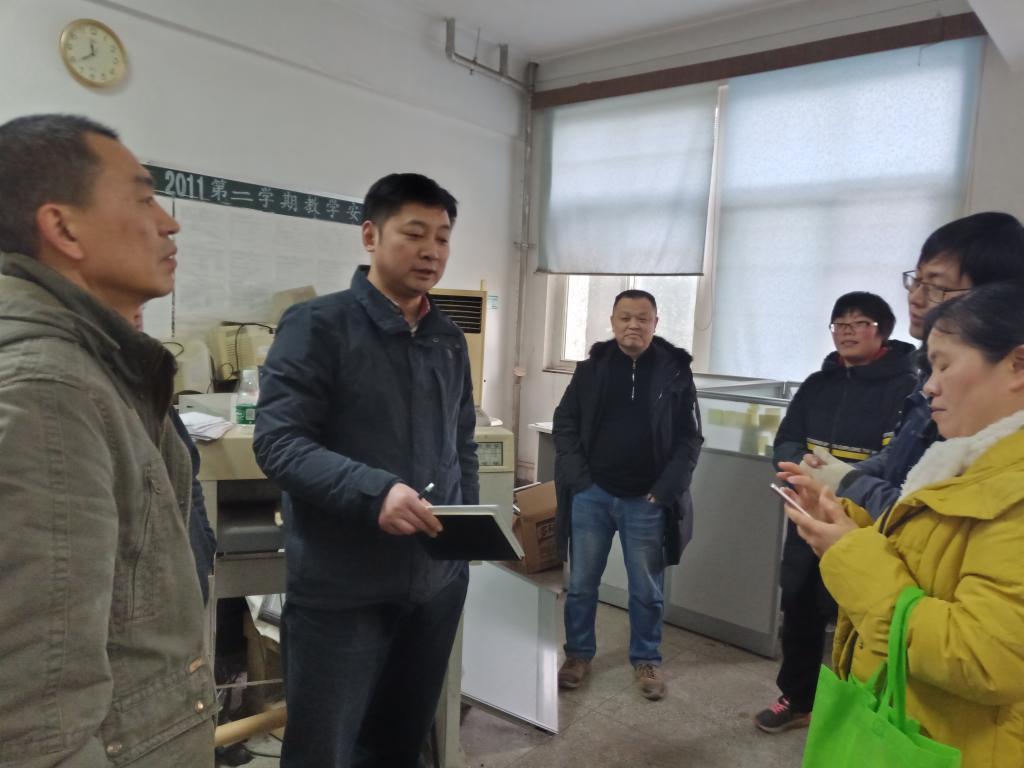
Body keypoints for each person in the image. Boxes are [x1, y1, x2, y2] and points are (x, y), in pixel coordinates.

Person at [0, 115, 215, 765]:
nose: (170, 223)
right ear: (63, 228)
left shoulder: (99, 368)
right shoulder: (50, 391)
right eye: (144, 199)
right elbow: (38, 726)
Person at [252, 173, 477, 767]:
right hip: (343, 587)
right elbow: (279, 443)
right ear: (371, 236)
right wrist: (374, 492)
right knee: (322, 751)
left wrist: (464, 538)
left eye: (443, 238)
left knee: (398, 745)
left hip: (434, 585)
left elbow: (462, 444)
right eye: (415, 234)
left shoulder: (448, 339)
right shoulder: (317, 325)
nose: (432, 251)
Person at [781, 282, 1024, 767]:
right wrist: (846, 518)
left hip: (959, 744)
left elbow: (983, 659)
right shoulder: (958, 461)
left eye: (945, 365)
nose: (929, 387)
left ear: (1017, 365)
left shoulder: (1009, 488)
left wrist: (850, 551)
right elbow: (926, 561)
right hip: (916, 714)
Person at [754, 292, 916, 733]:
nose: (846, 331)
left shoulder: (906, 387)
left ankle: (859, 712)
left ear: (882, 330)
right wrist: (801, 468)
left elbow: (895, 461)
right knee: (800, 607)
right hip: (808, 513)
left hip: (866, 522)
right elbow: (787, 439)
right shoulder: (817, 384)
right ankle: (797, 699)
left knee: (860, 617)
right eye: (839, 324)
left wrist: (837, 478)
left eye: (858, 323)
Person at [800, 213, 1024, 519]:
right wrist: (839, 473)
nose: (915, 298)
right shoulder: (927, 376)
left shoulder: (983, 404)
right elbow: (901, 457)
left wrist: (847, 481)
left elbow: (925, 513)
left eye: (936, 287)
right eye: (916, 281)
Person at [553, 289, 702, 701]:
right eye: (625, 317)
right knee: (581, 584)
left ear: (655, 323)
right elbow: (565, 423)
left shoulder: (674, 372)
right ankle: (578, 654)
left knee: (646, 590)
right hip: (592, 495)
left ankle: (647, 658)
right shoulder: (592, 369)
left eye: (642, 318)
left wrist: (665, 490)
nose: (633, 325)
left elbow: (690, 438)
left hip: (647, 500)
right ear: (612, 321)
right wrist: (579, 479)